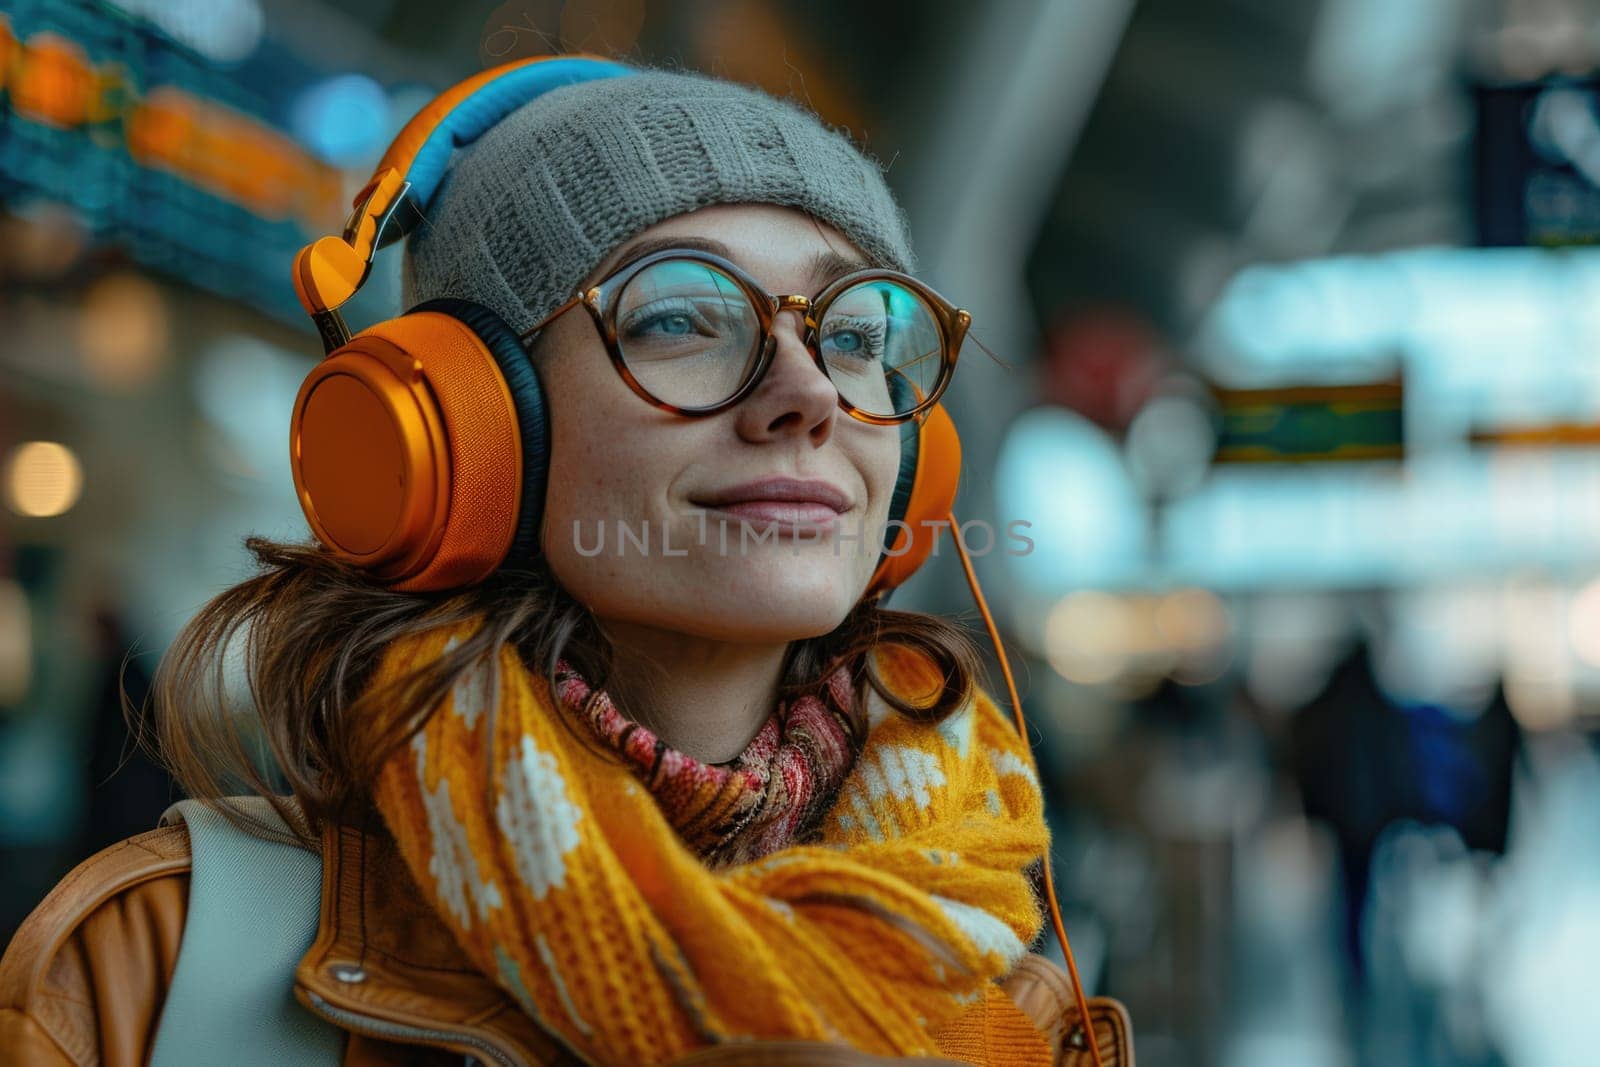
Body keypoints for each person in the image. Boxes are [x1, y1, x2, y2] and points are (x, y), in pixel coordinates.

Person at [0, 57, 1105, 1066]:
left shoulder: (1016, 1007)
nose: (810, 395)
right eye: (682, 315)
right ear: (473, 431)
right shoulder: (153, 964)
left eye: (855, 335)